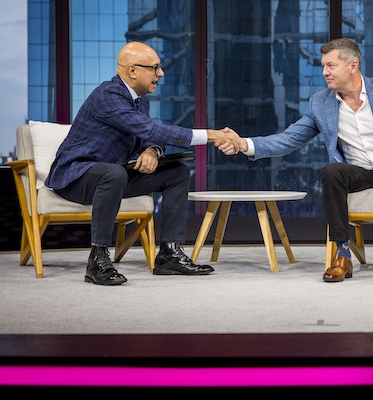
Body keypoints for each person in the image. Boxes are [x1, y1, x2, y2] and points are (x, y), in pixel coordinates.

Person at [218, 37, 373, 286]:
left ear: (352, 66)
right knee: (332, 172)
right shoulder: (320, 103)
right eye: (323, 66)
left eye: (331, 66)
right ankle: (343, 254)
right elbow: (288, 139)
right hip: (359, 172)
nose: (325, 72)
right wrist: (243, 144)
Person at [46, 41, 240, 286]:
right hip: (76, 177)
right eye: (155, 68)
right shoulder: (108, 96)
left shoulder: (139, 100)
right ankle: (98, 258)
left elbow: (149, 136)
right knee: (113, 173)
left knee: (176, 173)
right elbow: (150, 128)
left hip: (112, 176)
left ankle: (170, 253)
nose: (161, 74)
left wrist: (152, 150)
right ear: (132, 71)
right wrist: (211, 135)